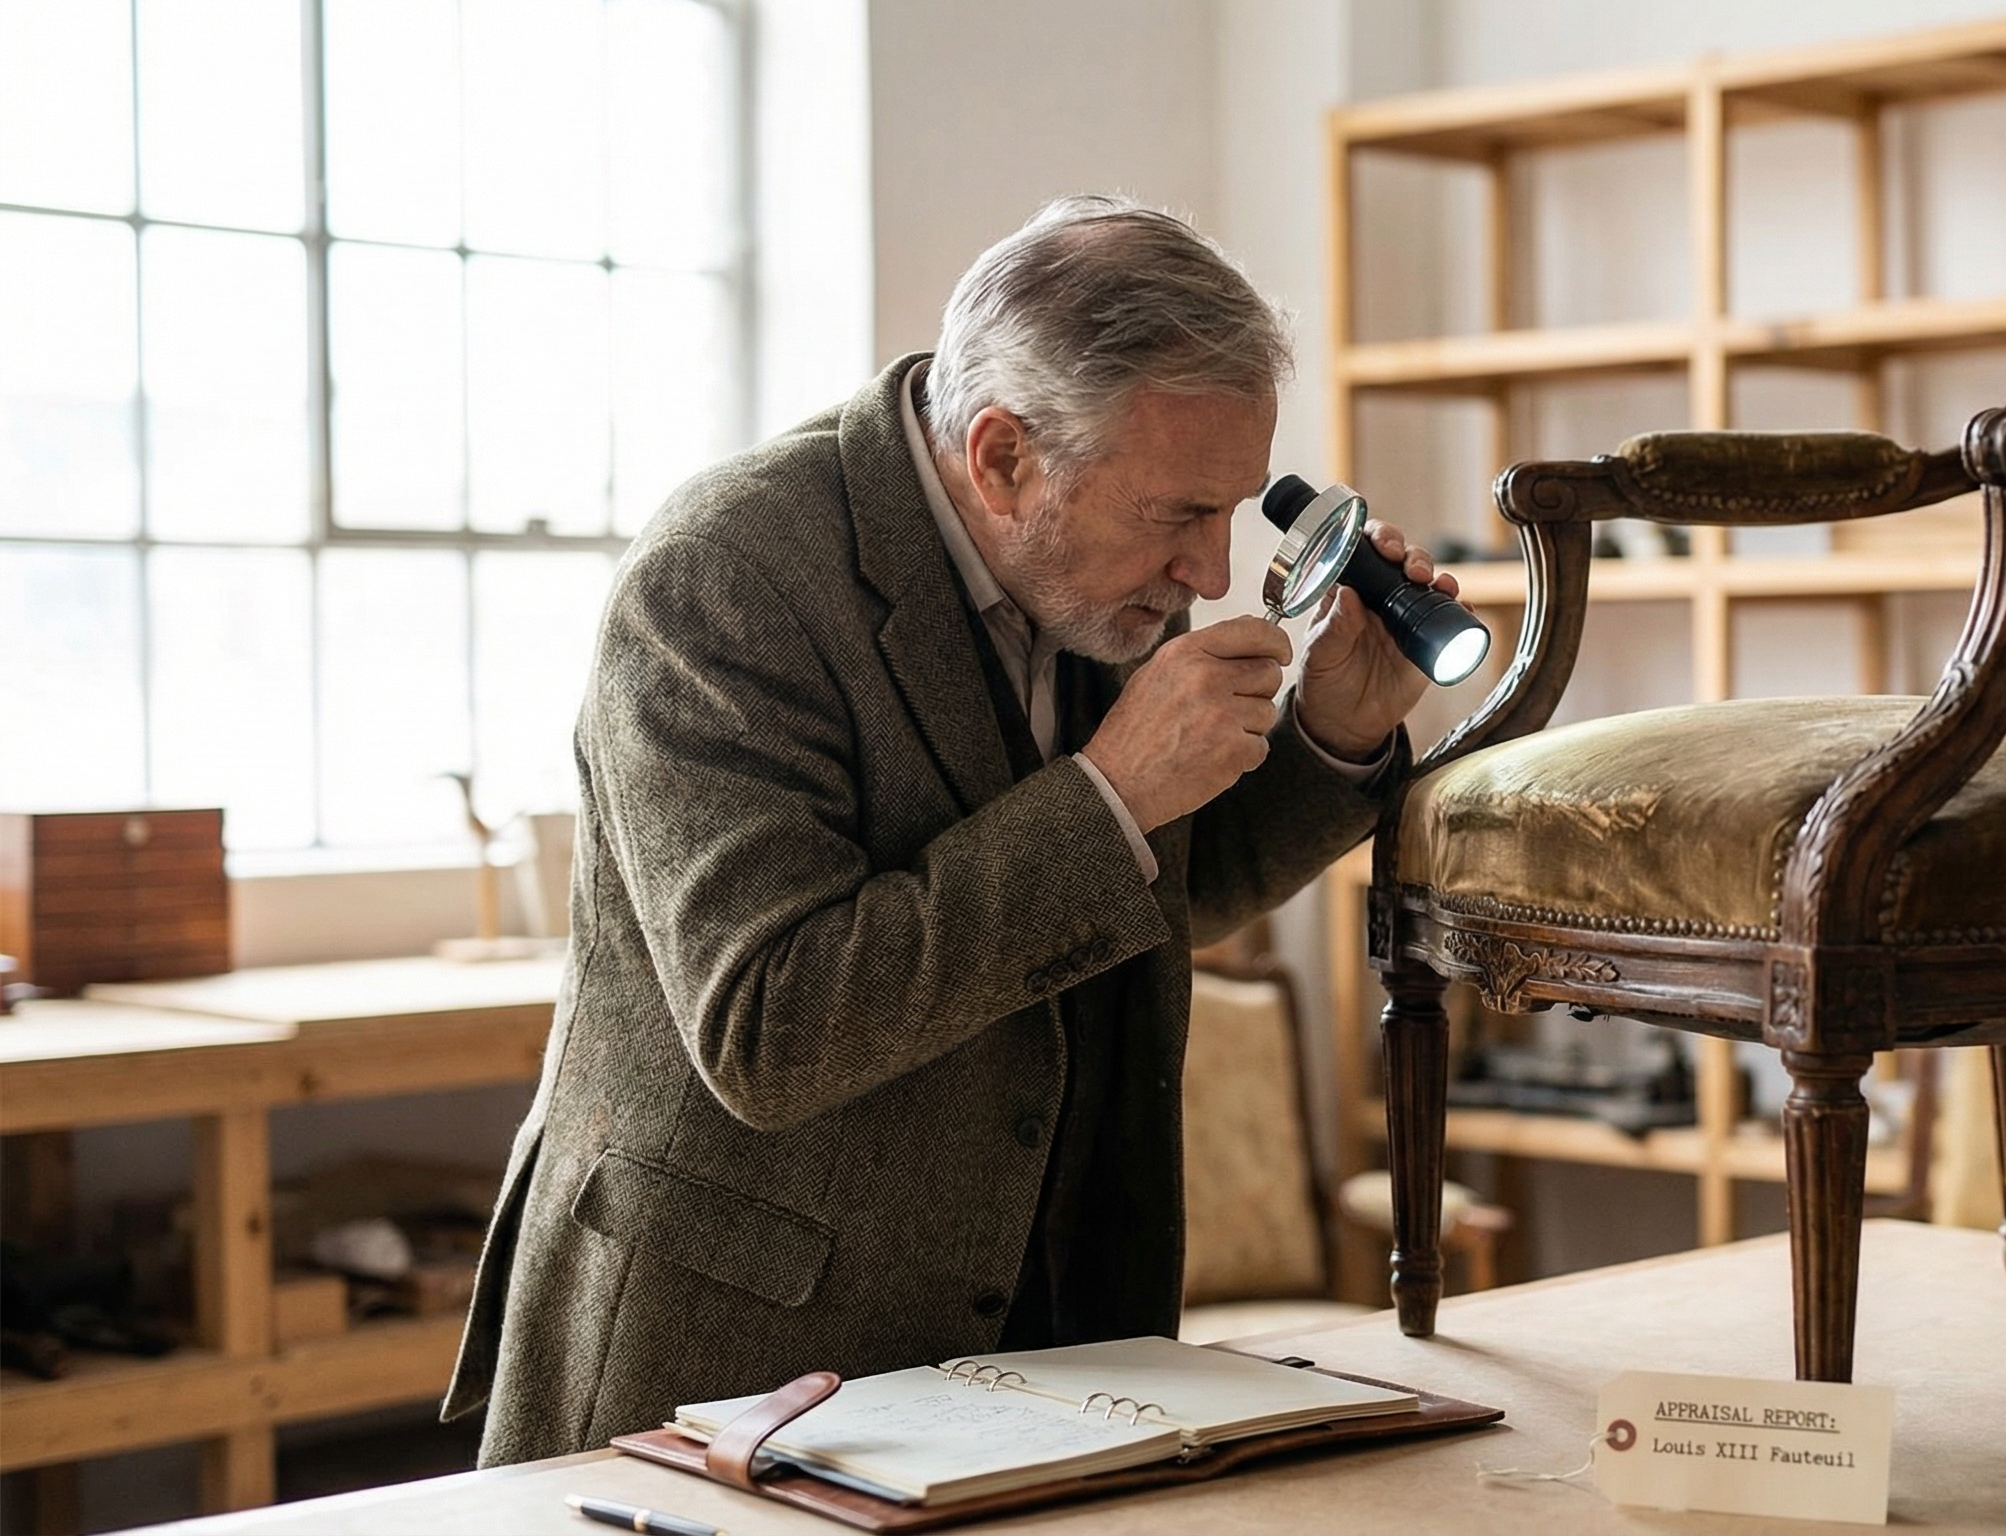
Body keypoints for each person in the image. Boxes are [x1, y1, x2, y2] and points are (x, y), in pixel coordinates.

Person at [443, 195, 1465, 1466]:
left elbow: (1138, 904)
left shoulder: (1099, 569)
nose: (1210, 573)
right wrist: (1109, 793)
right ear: (1000, 457)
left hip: (1046, 1354)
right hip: (730, 1365)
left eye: (1232, 510)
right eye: (1174, 516)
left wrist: (1335, 736)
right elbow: (772, 1030)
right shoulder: (721, 578)